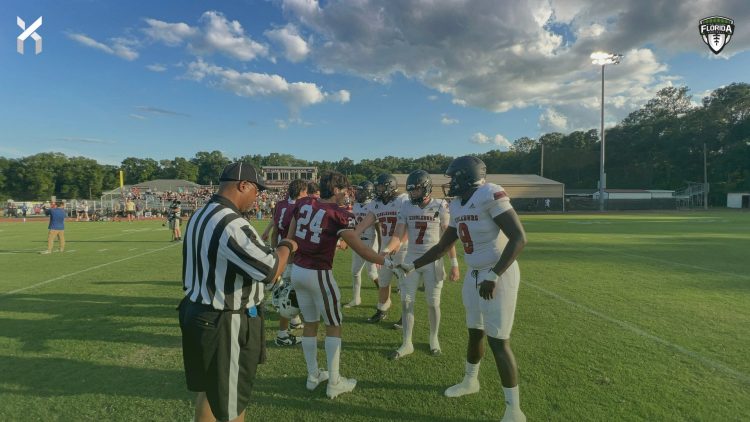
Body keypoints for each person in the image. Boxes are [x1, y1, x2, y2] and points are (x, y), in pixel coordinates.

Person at [397, 156, 528, 422]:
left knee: (499, 341)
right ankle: (471, 381)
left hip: (497, 274)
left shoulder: (489, 193)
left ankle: (514, 411)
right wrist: (412, 265)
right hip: (475, 275)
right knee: (475, 332)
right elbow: (443, 246)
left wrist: (494, 274)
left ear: (467, 177)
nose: (449, 183)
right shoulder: (456, 204)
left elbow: (518, 238)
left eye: (453, 178)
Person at [178, 162, 298, 422]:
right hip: (225, 320)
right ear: (243, 185)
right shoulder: (230, 223)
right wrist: (287, 245)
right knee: (232, 403)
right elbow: (270, 269)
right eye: (257, 190)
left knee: (211, 392)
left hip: (198, 311)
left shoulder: (202, 213)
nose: (258, 198)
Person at [287, 171, 392, 399]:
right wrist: (386, 260)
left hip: (298, 270)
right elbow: (360, 248)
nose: (347, 194)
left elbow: (291, 234)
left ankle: (313, 375)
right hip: (318, 273)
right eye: (344, 190)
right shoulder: (340, 214)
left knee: (310, 323)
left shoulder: (305, 202)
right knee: (334, 324)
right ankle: (334, 381)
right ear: (335, 190)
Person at [380, 170, 460, 359]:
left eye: (416, 190)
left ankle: (434, 338)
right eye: (411, 191)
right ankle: (407, 342)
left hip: (434, 260)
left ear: (426, 188)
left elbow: (448, 238)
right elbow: (398, 234)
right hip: (411, 259)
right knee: (407, 302)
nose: (412, 194)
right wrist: (386, 250)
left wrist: (454, 264)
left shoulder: (440, 205)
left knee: (433, 303)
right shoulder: (406, 206)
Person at [353, 173, 409, 323]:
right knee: (383, 281)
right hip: (385, 246)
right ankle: (382, 309)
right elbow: (365, 223)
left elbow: (410, 225)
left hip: (402, 248)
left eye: (381, 186)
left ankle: (404, 316)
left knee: (404, 284)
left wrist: (401, 243)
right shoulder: (376, 203)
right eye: (377, 186)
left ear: (390, 186)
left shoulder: (403, 200)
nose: (378, 189)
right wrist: (351, 236)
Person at [269, 179, 309, 346]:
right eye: (306, 192)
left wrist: (274, 253)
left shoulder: (280, 204)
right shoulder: (300, 207)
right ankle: (282, 335)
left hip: (280, 251)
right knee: (289, 295)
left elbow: (275, 231)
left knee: (289, 291)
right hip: (292, 255)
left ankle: (294, 321)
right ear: (301, 192)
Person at [345, 181, 380, 308]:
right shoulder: (356, 205)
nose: (357, 193)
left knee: (372, 273)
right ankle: (356, 298)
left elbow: (378, 229)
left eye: (361, 191)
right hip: (358, 241)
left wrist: (379, 247)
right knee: (355, 272)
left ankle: (383, 298)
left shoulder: (373, 205)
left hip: (370, 242)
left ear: (368, 192)